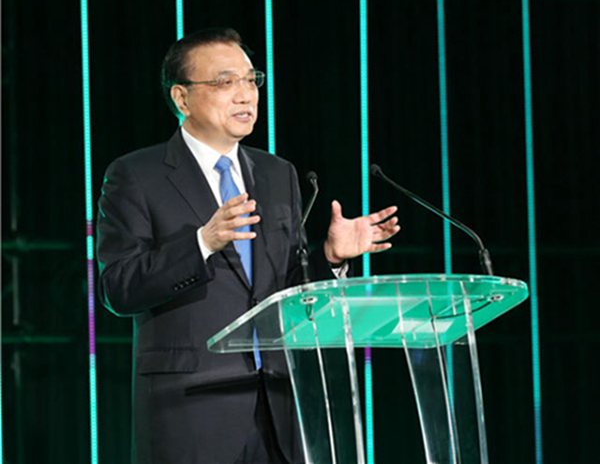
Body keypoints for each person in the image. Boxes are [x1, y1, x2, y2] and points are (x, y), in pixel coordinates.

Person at [97, 27, 399, 464]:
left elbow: (285, 291)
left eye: (251, 80)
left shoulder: (278, 174)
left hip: (279, 409)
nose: (245, 95)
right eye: (225, 82)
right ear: (182, 98)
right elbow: (118, 288)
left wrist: (329, 256)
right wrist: (202, 242)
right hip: (191, 410)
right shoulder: (136, 175)